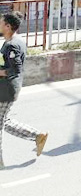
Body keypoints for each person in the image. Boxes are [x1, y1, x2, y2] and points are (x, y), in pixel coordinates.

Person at [0, 12, 48, 169]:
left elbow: (14, 69)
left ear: (8, 26)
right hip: (7, 88)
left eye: (1, 22)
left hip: (6, 90)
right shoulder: (14, 40)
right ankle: (37, 136)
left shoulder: (12, 44)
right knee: (4, 121)